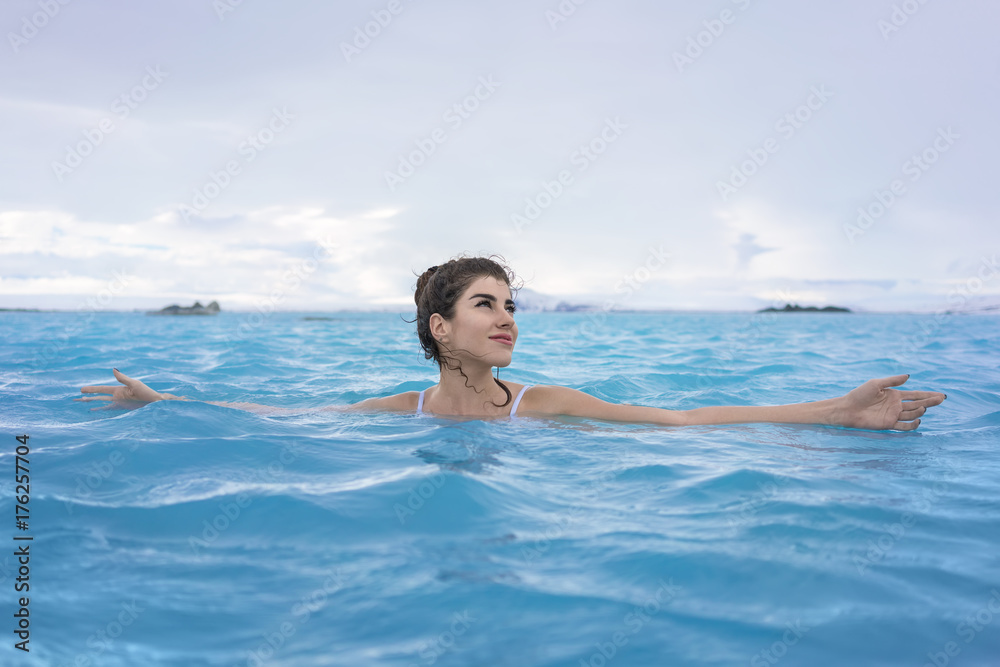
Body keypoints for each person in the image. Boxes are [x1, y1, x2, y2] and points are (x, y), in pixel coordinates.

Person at [79, 255, 947, 430]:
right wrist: (163, 402)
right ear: (440, 327)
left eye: (512, 304)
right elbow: (283, 410)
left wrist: (838, 410)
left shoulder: (545, 404)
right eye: (485, 304)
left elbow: (683, 420)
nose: (508, 318)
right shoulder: (403, 410)